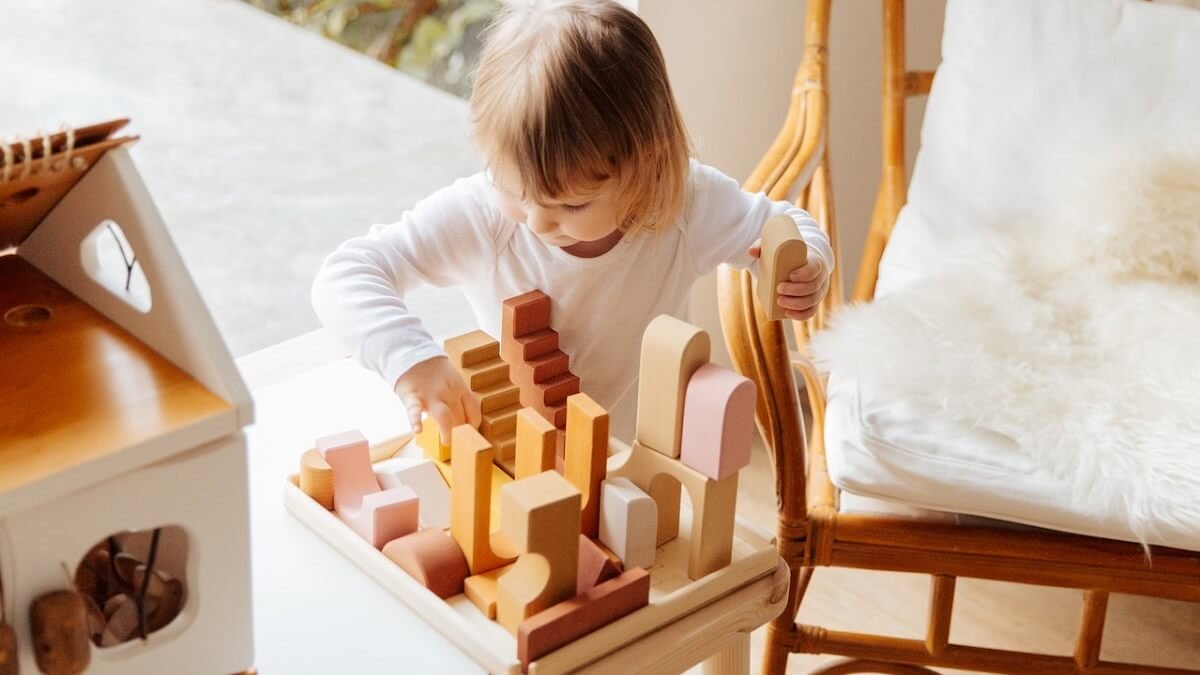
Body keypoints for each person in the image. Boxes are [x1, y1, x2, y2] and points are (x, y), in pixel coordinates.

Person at [311, 0, 833, 441]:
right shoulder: (487, 216)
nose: (537, 222)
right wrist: (412, 361)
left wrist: (806, 264)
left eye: (570, 205)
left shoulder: (685, 206)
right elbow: (346, 273)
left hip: (635, 459)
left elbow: (784, 226)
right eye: (516, 190)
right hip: (510, 456)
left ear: (644, 164)